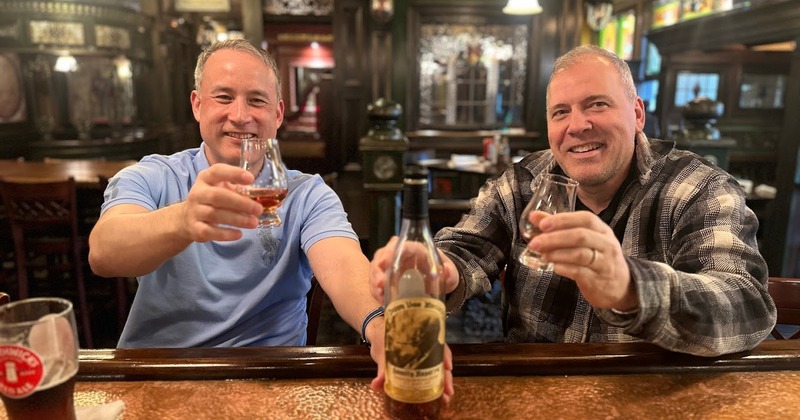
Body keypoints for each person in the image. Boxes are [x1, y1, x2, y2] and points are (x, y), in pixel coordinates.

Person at [370, 44, 776, 361]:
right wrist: (440, 268)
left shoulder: (698, 189)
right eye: (560, 112)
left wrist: (630, 287)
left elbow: (746, 306)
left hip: (649, 390)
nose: (577, 126)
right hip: (534, 387)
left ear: (637, 114)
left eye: (597, 104)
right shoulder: (522, 182)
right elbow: (467, 248)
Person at [88, 39, 384, 351]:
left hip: (270, 367)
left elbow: (343, 265)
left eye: (256, 100)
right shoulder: (156, 175)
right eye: (224, 98)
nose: (240, 115)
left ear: (278, 114)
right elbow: (103, 254)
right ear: (197, 105)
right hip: (162, 366)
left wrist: (379, 325)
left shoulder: (307, 194)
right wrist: (184, 219)